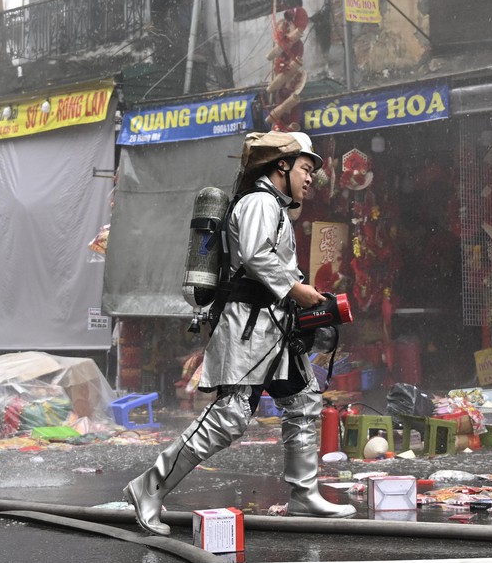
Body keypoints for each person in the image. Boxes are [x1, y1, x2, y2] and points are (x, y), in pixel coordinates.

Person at [123, 130, 355, 534]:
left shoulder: (276, 206)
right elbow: (255, 255)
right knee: (230, 417)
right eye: (305, 168)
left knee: (302, 403)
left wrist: (299, 295)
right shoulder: (259, 202)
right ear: (281, 165)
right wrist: (297, 289)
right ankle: (148, 487)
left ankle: (303, 495)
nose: (309, 179)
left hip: (275, 330)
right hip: (250, 329)